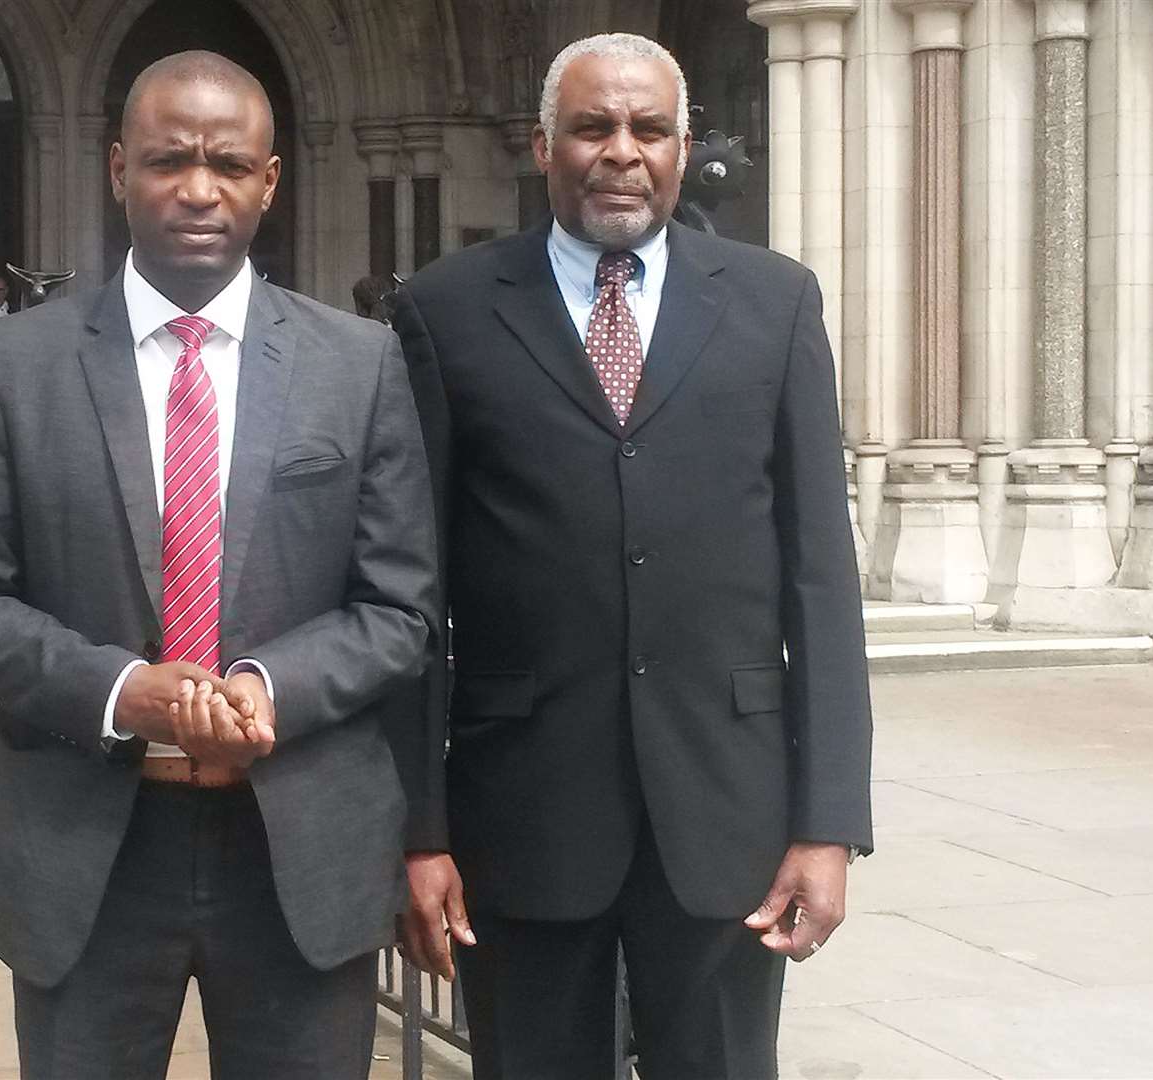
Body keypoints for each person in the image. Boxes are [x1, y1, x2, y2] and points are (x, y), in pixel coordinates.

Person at [0, 50, 439, 1079]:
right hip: (89, 850)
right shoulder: (12, 366)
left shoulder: (357, 362)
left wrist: (259, 687)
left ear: (269, 180)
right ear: (117, 169)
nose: (198, 188)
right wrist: (125, 691)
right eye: (167, 160)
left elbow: (398, 608)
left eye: (227, 163)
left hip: (296, 844)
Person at [391, 32, 873, 1079]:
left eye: (647, 129)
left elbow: (819, 580)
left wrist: (828, 822)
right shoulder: (444, 310)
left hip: (726, 815)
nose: (621, 152)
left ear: (682, 145)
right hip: (520, 817)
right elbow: (411, 598)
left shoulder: (775, 302)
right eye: (592, 127)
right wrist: (418, 832)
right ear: (540, 144)